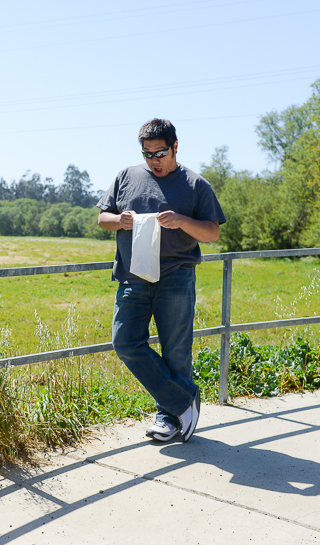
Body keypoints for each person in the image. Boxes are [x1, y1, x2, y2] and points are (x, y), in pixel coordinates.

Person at [96, 118, 225, 442]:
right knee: (124, 342)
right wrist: (120, 221)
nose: (154, 160)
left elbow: (212, 233)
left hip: (176, 277)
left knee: (176, 352)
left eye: (160, 153)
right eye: (147, 154)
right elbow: (102, 219)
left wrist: (182, 220)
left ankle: (169, 417)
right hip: (132, 276)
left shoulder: (196, 185)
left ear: (175, 147)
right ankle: (184, 402)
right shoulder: (126, 176)